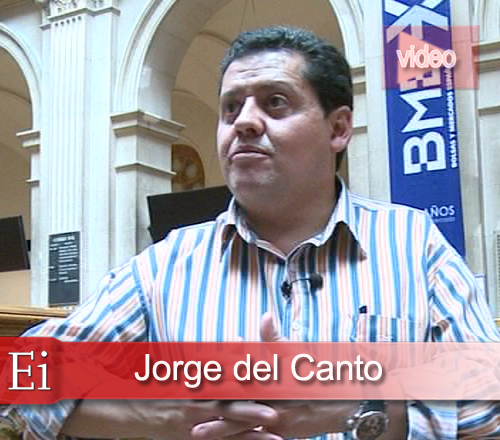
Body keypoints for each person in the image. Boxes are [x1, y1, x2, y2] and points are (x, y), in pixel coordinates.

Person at [2, 25, 500, 440]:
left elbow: (490, 393)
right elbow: (19, 375)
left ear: (338, 129)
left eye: (275, 102)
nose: (243, 122)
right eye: (230, 108)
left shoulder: (412, 244)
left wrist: (362, 403)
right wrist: (165, 414)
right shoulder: (167, 264)